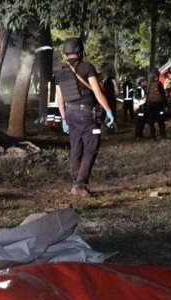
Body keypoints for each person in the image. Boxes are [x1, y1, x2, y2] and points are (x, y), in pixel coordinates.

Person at [55, 37, 115, 197]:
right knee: (90, 148)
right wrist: (108, 110)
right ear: (80, 51)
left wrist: (63, 118)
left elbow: (59, 99)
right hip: (87, 114)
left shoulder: (60, 72)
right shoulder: (87, 67)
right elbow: (97, 91)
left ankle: (76, 184)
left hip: (70, 114)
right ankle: (80, 185)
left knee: (75, 148)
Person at [145, 70, 167, 140]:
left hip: (150, 105)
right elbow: (163, 95)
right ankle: (163, 135)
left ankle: (153, 136)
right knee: (161, 120)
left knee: (151, 121)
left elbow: (147, 95)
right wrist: (166, 105)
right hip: (158, 104)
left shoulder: (148, 85)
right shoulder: (159, 84)